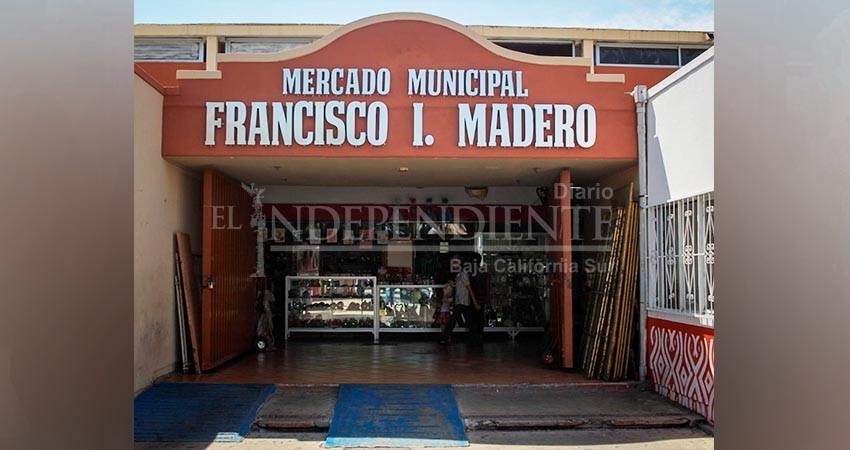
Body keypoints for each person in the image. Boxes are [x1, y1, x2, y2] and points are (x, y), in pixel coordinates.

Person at [441, 255, 481, 345]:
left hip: (462, 301)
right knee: (468, 321)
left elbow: (469, 288)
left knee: (453, 320)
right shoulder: (460, 274)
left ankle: (445, 337)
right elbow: (463, 286)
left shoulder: (463, 274)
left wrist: (475, 302)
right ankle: (476, 338)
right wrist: (454, 284)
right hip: (462, 301)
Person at [437, 279, 454, 343]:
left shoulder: (449, 298)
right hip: (444, 311)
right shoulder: (446, 297)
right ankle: (444, 335)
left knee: (445, 324)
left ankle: (445, 336)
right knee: (444, 325)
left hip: (445, 311)